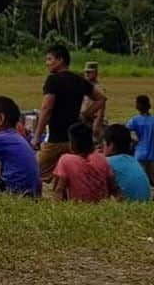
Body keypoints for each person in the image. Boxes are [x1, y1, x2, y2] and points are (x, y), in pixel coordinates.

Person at [30, 44, 105, 181]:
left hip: (56, 139)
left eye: (49, 59)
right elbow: (101, 98)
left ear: (60, 60)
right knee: (70, 174)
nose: (47, 63)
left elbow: (47, 108)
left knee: (35, 173)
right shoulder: (79, 80)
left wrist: (36, 136)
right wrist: (85, 115)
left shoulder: (53, 80)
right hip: (74, 140)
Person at [53, 123, 118, 202]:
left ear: (72, 144)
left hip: (78, 207)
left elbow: (59, 189)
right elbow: (114, 188)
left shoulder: (65, 160)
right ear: (91, 143)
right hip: (101, 207)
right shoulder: (102, 158)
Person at [102, 124, 151, 202]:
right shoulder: (134, 161)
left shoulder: (107, 162)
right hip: (145, 205)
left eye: (103, 145)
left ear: (111, 145)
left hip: (126, 206)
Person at [80, 61, 107, 140]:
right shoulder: (84, 86)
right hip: (84, 119)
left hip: (94, 119)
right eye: (85, 72)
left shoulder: (98, 88)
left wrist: (97, 122)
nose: (87, 74)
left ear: (95, 73)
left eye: (89, 72)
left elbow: (102, 107)